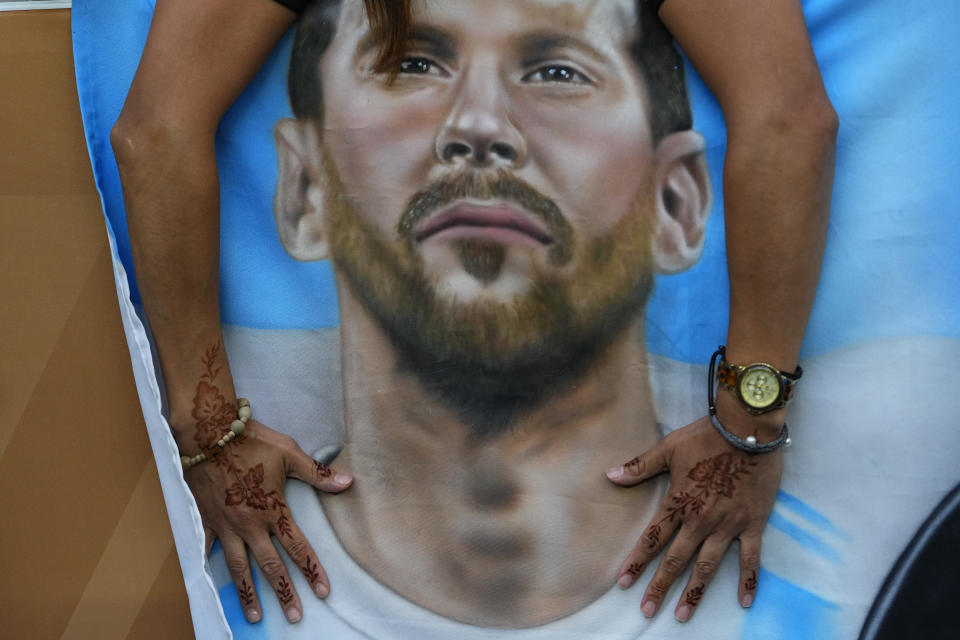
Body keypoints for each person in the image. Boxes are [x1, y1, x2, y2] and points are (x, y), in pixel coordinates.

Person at [111, 0, 836, 630]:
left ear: (678, 202)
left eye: (557, 72)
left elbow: (788, 122)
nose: (481, 126)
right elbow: (156, 134)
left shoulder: (860, 580)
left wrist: (752, 420)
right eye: (412, 65)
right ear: (304, 189)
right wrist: (202, 428)